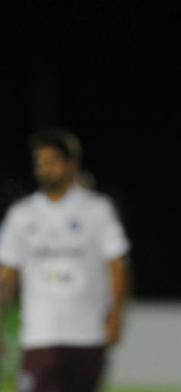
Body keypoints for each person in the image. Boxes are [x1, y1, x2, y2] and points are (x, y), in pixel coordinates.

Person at [0, 129, 130, 392]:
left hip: (87, 333)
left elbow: (117, 265)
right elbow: (7, 272)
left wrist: (116, 315)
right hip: (40, 334)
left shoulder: (97, 210)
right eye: (40, 162)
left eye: (52, 160)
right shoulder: (21, 215)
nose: (45, 168)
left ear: (72, 164)